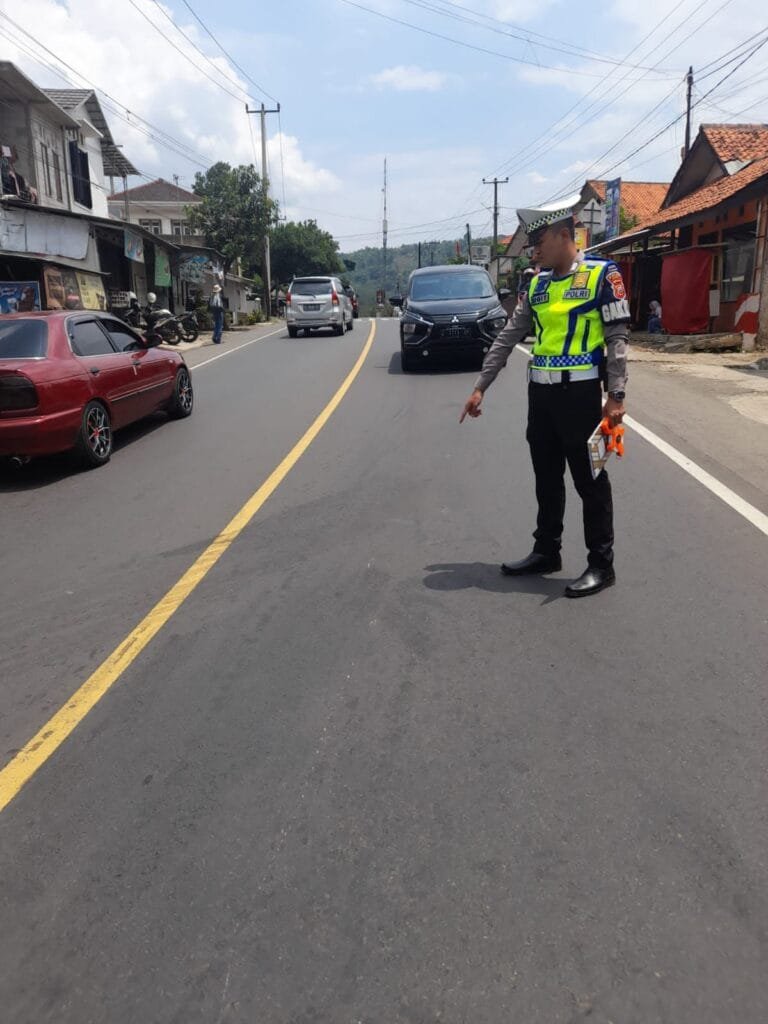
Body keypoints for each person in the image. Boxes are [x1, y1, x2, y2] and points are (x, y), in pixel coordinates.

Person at [460, 199, 630, 598]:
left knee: (590, 480)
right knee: (547, 478)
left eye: (540, 242)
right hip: (541, 396)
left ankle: (601, 564)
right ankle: (546, 551)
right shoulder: (536, 285)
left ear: (564, 235)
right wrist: (481, 386)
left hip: (581, 396)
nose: (535, 251)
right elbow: (508, 337)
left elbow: (617, 339)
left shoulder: (602, 275)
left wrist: (616, 396)